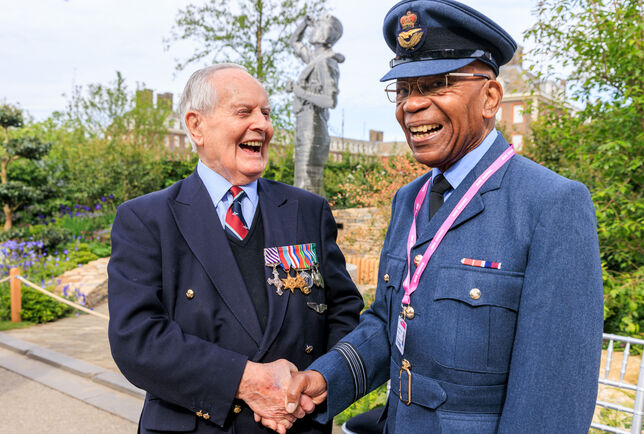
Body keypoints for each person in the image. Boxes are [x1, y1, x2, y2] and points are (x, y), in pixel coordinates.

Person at [285, 1, 604, 432]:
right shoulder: (408, 199)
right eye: (403, 90)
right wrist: (325, 378)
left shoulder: (550, 204)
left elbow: (550, 400)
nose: (412, 106)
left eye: (436, 85)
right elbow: (389, 323)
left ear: (490, 97)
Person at [107, 63, 363, 434]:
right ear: (196, 126)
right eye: (244, 112)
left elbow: (344, 309)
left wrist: (320, 380)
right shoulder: (146, 218)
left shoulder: (308, 210)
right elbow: (137, 339)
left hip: (296, 423)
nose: (263, 125)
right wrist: (246, 380)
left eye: (266, 113)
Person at [288, 14, 345, 195]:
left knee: (307, 182)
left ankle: (309, 222)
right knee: (302, 180)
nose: (313, 29)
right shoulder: (315, 58)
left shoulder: (326, 62)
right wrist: (304, 24)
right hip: (305, 125)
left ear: (325, 32)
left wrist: (299, 91)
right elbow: (295, 42)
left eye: (317, 25)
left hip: (313, 129)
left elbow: (330, 100)